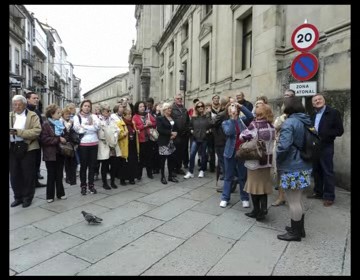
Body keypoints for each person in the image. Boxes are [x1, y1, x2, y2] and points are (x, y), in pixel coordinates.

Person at [276, 96, 313, 241]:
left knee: (293, 201)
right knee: (298, 199)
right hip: (304, 163)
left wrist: (278, 158)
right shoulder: (306, 120)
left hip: (292, 165)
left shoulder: (290, 122)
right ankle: (299, 229)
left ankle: (295, 233)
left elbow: (283, 146)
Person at [307, 93, 344, 206]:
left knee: (327, 171)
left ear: (324, 100)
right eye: (315, 100)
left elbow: (339, 131)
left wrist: (324, 134)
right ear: (313, 104)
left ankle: (329, 196)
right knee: (317, 170)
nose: (317, 101)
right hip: (315, 146)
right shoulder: (312, 115)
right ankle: (318, 192)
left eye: (319, 99)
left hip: (326, 145)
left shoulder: (333, 112)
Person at [241, 103, 275, 219]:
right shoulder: (271, 126)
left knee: (253, 187)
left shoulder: (254, 125)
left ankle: (256, 211)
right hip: (267, 161)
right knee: (263, 187)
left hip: (256, 160)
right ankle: (264, 208)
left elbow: (242, 136)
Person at [9, 95, 41, 208]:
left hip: (28, 147)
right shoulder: (10, 115)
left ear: (24, 104)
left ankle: (27, 198)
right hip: (13, 148)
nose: (17, 107)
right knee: (14, 174)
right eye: (15, 104)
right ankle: (18, 197)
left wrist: (18, 132)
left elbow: (36, 132)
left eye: (19, 104)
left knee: (27, 174)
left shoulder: (32, 115)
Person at [219, 102, 253, 208]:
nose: (232, 110)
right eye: (230, 109)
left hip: (242, 152)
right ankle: (225, 198)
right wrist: (233, 119)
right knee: (228, 176)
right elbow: (228, 132)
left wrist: (241, 106)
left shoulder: (242, 120)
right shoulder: (226, 123)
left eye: (234, 108)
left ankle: (245, 198)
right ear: (228, 112)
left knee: (243, 176)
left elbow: (251, 116)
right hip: (230, 153)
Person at [271, 89, 295, 206]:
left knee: (290, 173)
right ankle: (281, 197)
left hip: (293, 148)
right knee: (280, 172)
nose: (287, 97)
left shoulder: (298, 114)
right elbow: (275, 127)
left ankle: (292, 198)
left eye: (289, 96)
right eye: (285, 95)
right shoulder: (281, 115)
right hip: (280, 146)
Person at [40, 104, 67, 203]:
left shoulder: (60, 123)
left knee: (59, 174)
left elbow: (66, 135)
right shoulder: (45, 124)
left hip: (60, 152)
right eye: (58, 113)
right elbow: (44, 139)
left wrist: (65, 137)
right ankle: (49, 195)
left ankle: (61, 193)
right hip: (50, 154)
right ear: (52, 114)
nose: (60, 115)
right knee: (51, 175)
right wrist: (58, 139)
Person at [73, 99, 100, 195]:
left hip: (94, 143)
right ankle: (83, 186)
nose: (87, 107)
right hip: (83, 144)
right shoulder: (77, 117)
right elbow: (77, 129)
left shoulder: (94, 116)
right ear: (81, 107)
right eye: (85, 105)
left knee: (92, 166)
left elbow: (97, 127)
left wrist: (84, 126)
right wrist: (90, 126)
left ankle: (91, 185)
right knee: (83, 166)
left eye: (89, 106)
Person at [184, 101, 212, 179]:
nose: (200, 108)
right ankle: (190, 172)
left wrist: (208, 131)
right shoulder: (193, 117)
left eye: (202, 106)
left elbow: (211, 125)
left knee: (203, 155)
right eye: (198, 107)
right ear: (196, 108)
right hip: (195, 139)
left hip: (204, 139)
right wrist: (191, 131)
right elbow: (190, 126)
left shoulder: (207, 117)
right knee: (192, 155)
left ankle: (202, 170)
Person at [97, 103, 121, 189]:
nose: (109, 112)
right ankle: (104, 183)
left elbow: (117, 130)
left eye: (110, 110)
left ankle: (112, 181)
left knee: (114, 164)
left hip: (113, 144)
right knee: (105, 165)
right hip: (104, 144)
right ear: (102, 111)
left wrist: (115, 136)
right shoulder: (98, 120)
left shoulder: (112, 119)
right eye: (108, 110)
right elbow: (100, 133)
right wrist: (108, 136)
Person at [26, 91, 46, 188]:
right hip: (29, 141)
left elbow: (41, 125)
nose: (36, 100)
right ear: (28, 99)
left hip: (38, 141)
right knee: (30, 163)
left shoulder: (37, 111)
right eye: (34, 98)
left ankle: (36, 181)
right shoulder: (25, 111)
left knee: (37, 161)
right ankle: (29, 183)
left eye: (37, 98)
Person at [132, 101, 157, 180]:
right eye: (140, 106)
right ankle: (139, 175)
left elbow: (155, 123)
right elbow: (135, 127)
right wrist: (144, 125)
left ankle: (149, 173)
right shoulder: (135, 117)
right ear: (137, 108)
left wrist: (151, 124)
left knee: (149, 157)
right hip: (140, 140)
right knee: (141, 159)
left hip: (149, 139)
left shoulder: (148, 115)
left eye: (143, 106)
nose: (142, 108)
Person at [156, 102, 179, 184]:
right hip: (164, 141)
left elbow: (176, 128)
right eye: (168, 108)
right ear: (164, 110)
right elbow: (160, 129)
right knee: (163, 160)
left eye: (170, 108)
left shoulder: (172, 118)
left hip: (172, 142)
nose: (170, 110)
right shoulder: (160, 118)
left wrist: (175, 133)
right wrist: (170, 133)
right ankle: (162, 177)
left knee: (171, 160)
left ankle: (170, 176)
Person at [171, 93, 190, 175]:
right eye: (178, 98)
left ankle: (179, 167)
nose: (179, 100)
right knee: (175, 152)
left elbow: (188, 121)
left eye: (180, 98)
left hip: (184, 134)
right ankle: (173, 168)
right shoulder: (172, 109)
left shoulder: (184, 109)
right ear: (174, 99)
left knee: (181, 152)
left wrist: (188, 130)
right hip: (176, 134)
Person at [120, 108, 140, 184]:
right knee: (124, 163)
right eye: (128, 114)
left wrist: (136, 132)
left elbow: (134, 131)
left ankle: (132, 178)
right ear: (124, 115)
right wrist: (123, 134)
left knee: (133, 162)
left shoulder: (133, 123)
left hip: (133, 145)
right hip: (125, 145)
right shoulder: (120, 123)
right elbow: (119, 135)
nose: (130, 116)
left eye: (130, 114)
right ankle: (123, 179)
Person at [60, 107, 77, 186]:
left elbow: (73, 131)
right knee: (66, 162)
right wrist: (69, 124)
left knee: (73, 162)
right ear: (62, 115)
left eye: (69, 114)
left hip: (71, 144)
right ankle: (68, 178)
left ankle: (73, 179)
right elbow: (64, 131)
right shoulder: (60, 122)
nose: (68, 116)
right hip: (65, 145)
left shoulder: (71, 121)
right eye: (66, 114)